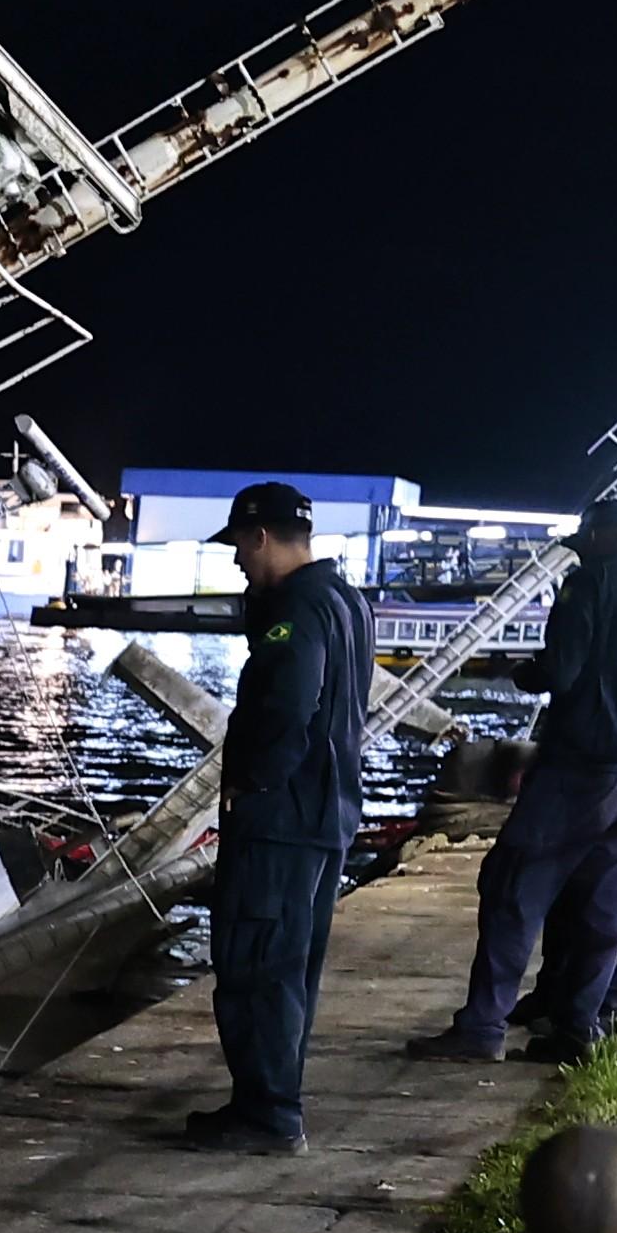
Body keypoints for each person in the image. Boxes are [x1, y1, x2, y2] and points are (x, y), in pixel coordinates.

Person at [410, 501, 617, 1065]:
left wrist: (528, 671)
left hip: (578, 768)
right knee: (605, 902)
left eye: (583, 541)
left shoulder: (588, 585)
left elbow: (561, 670)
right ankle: (578, 1027)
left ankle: (482, 1026)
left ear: (601, 536)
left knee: (513, 885)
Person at [189, 479, 369, 1154]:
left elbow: (290, 702)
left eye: (239, 544)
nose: (237, 560)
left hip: (283, 819)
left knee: (256, 962)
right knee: (292, 965)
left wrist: (252, 783)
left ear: (260, 535)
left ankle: (267, 1112)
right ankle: (271, 1099)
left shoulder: (295, 608)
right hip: (329, 814)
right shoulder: (346, 600)